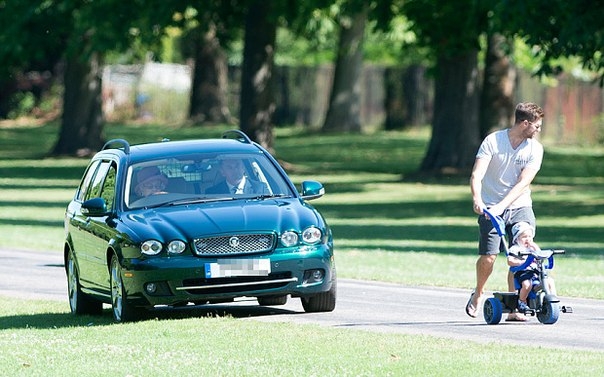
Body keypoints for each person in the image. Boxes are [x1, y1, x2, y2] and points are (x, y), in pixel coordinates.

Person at [466, 102, 545, 321]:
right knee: (489, 257)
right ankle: (479, 291)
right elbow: (477, 175)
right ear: (525, 123)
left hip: (520, 206)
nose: (539, 130)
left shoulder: (535, 148)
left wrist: (504, 205)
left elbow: (522, 183)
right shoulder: (493, 141)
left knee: (522, 251)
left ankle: (513, 305)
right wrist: (477, 199)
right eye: (537, 126)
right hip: (490, 207)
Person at [507, 222, 556, 313]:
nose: (528, 239)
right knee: (527, 285)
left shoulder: (531, 248)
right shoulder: (515, 249)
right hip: (522, 272)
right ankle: (521, 301)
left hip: (535, 272)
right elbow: (510, 261)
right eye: (524, 237)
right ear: (517, 238)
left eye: (530, 237)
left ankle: (553, 300)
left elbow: (540, 254)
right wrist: (521, 262)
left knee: (549, 281)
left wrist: (534, 246)